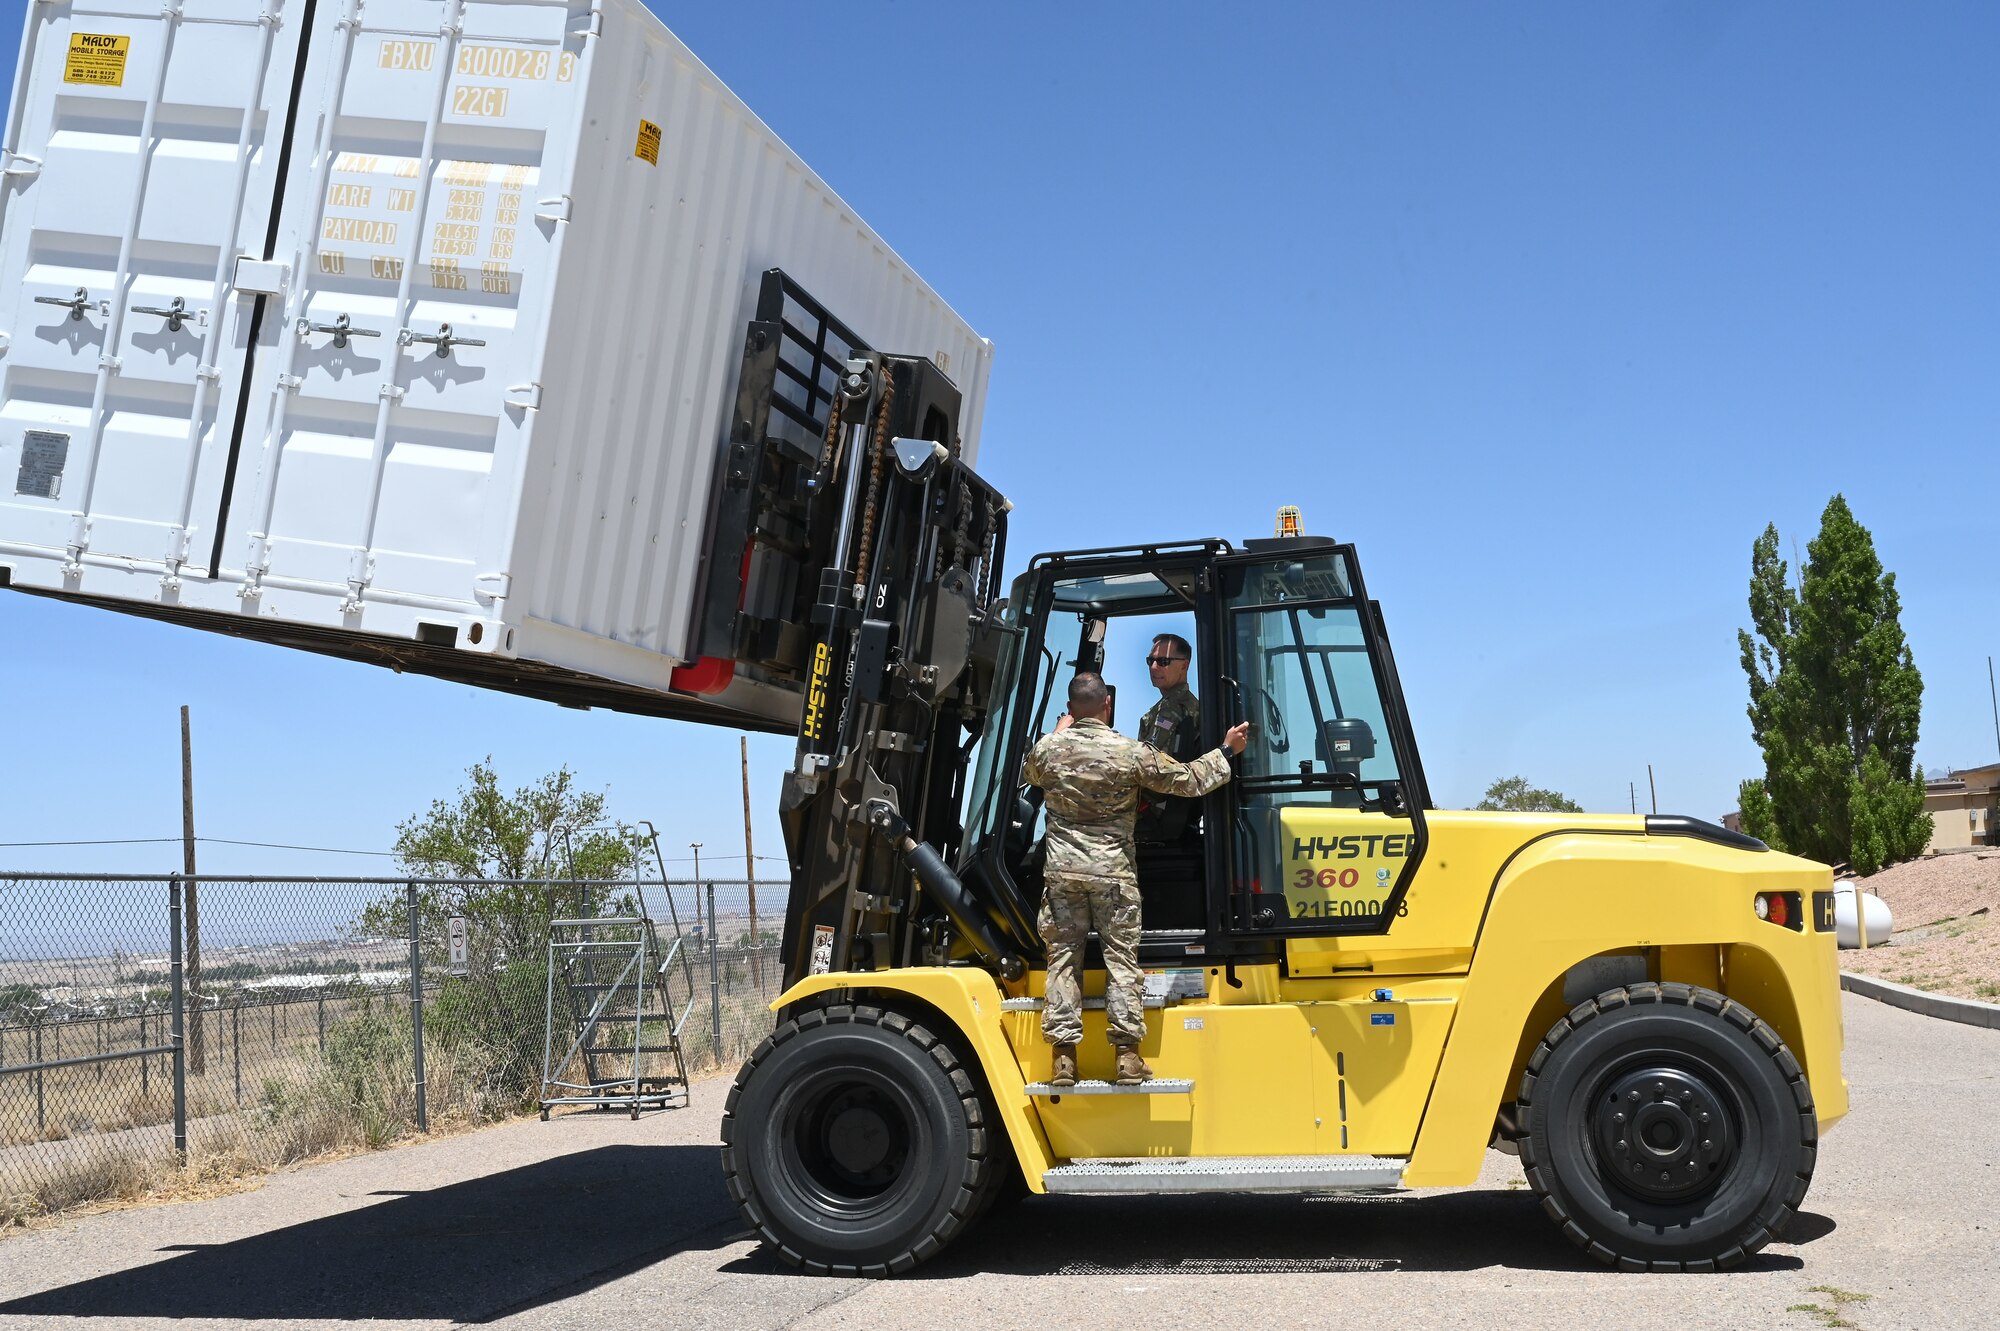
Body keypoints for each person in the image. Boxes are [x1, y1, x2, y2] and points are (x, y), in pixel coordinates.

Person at [1024, 671, 1249, 1085]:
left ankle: (1063, 1061)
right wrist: (1226, 750)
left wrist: (1056, 733)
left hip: (1062, 876)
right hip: (1113, 876)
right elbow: (1188, 781)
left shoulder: (1048, 750)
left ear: (1071, 709)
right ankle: (1127, 1057)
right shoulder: (1129, 752)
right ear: (1107, 706)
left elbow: (1031, 776)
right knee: (1122, 961)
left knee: (1062, 961)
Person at [1135, 632, 1202, 846]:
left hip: (1154, 816)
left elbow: (1153, 771)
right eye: (1150, 661)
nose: (1154, 667)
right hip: (1169, 815)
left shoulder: (1172, 709)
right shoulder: (1188, 705)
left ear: (1184, 665)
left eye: (1163, 661)